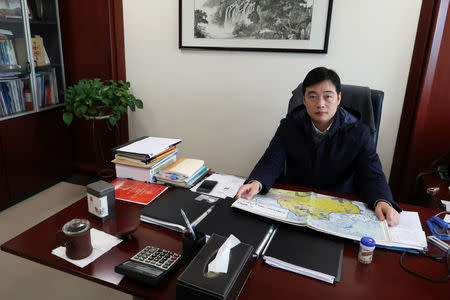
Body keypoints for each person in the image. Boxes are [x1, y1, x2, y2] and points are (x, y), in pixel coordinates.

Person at [236, 67, 401, 226]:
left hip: (337, 207)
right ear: (304, 99)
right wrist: (256, 182)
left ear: (338, 98)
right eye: (312, 96)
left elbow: (372, 173)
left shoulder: (358, 132)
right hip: (296, 204)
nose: (320, 104)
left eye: (328, 96)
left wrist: (382, 200)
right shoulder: (290, 125)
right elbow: (271, 160)